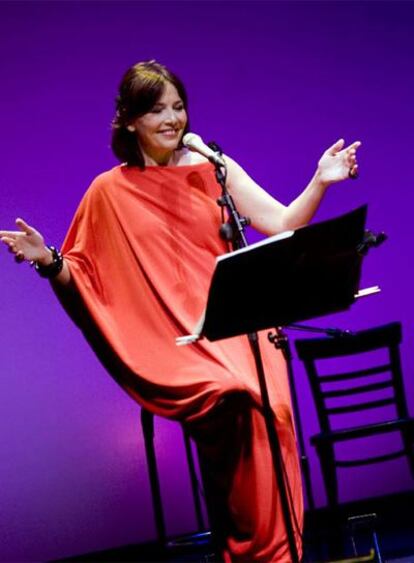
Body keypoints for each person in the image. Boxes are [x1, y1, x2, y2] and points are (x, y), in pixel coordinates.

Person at [0, 60, 360, 562]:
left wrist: (321, 182)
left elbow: (279, 223)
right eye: (156, 110)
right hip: (180, 344)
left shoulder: (216, 167)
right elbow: (84, 277)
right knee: (237, 400)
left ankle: (281, 554)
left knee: (272, 417)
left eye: (178, 107)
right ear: (129, 120)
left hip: (246, 329)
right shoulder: (110, 190)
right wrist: (48, 260)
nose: (172, 119)